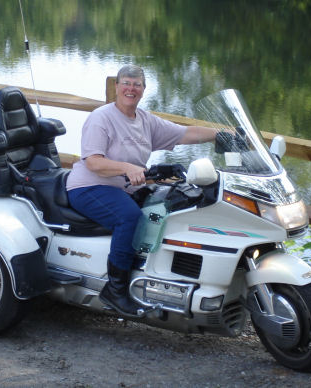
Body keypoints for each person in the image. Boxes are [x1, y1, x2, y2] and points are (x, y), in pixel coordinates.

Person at [66, 65, 217, 317]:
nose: (131, 89)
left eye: (137, 84)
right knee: (129, 217)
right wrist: (127, 167)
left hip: (122, 189)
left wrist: (223, 136)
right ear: (117, 86)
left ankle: (158, 276)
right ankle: (115, 291)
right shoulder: (101, 118)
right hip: (89, 186)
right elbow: (93, 162)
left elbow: (185, 133)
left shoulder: (145, 120)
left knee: (172, 203)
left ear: (144, 89)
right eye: (126, 83)